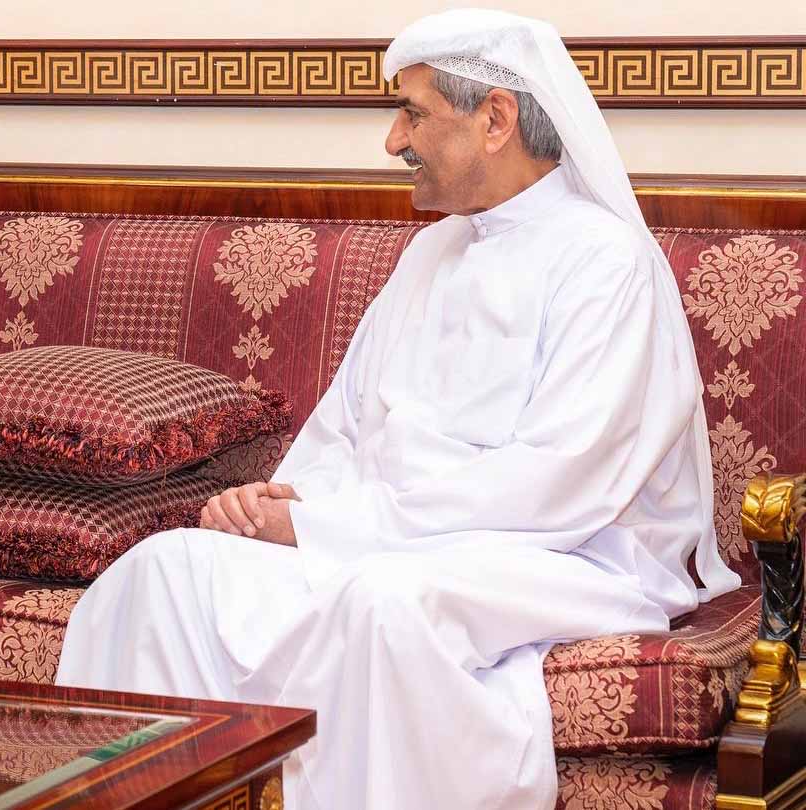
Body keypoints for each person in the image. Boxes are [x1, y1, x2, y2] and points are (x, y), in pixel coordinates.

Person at [54, 9, 739, 809]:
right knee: (164, 573)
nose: (392, 140)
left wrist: (324, 526)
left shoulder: (607, 263)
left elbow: (560, 482)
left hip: (563, 555)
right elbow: (345, 426)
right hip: (384, 536)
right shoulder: (432, 251)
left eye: (413, 113)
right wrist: (283, 502)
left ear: (495, 119)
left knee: (381, 605)